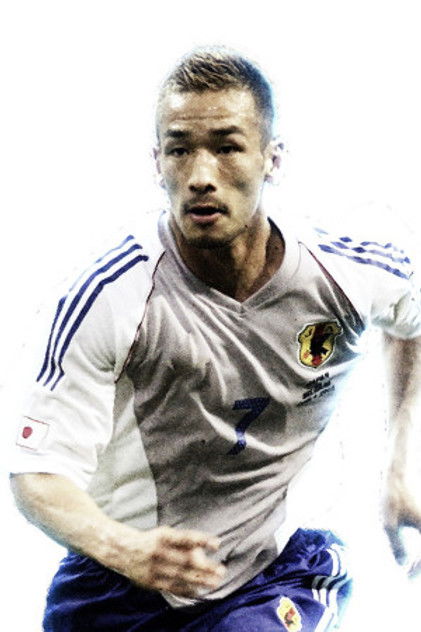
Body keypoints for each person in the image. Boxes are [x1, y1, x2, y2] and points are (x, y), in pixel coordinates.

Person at [10, 47, 421, 632]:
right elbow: (37, 474)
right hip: (119, 583)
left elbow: (412, 325)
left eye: (227, 147)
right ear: (157, 162)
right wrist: (128, 550)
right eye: (180, 150)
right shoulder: (110, 298)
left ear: (272, 159)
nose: (201, 176)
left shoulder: (345, 275)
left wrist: (401, 466)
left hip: (275, 570)